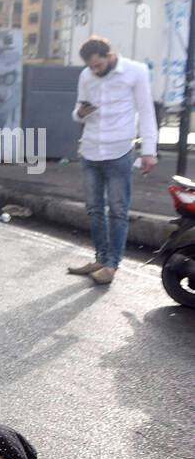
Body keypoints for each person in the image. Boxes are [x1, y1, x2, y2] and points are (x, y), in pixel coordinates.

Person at [67, 36, 158, 286]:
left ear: (109, 56)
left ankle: (111, 265)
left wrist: (149, 151)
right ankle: (100, 258)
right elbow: (77, 113)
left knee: (118, 211)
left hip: (119, 152)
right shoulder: (86, 75)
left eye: (97, 65)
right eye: (90, 66)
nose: (94, 70)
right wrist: (81, 112)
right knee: (94, 210)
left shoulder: (135, 71)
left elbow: (147, 112)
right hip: (90, 150)